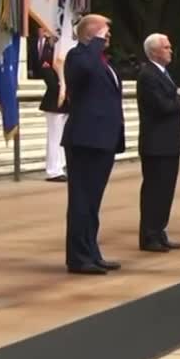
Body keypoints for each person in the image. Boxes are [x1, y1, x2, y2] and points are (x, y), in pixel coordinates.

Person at [61, 14, 124, 275]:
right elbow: (82, 73)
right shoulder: (78, 56)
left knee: (92, 203)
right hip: (84, 139)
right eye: (104, 32)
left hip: (102, 139)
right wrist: (93, 43)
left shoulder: (101, 61)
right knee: (81, 200)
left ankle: (91, 251)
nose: (108, 36)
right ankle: (78, 257)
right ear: (90, 33)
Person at [136, 33, 180, 252]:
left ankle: (159, 230)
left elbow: (172, 100)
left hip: (169, 142)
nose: (170, 50)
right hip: (156, 142)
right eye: (166, 47)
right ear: (154, 51)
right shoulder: (148, 74)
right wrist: (178, 100)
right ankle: (149, 235)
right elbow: (163, 105)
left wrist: (175, 99)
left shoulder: (164, 73)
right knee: (154, 191)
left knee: (166, 190)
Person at [36, 32, 69, 182]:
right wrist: (62, 89)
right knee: (55, 137)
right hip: (54, 100)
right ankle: (53, 169)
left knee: (62, 137)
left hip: (66, 101)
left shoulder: (61, 53)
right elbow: (49, 78)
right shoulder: (48, 53)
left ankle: (60, 166)